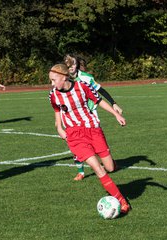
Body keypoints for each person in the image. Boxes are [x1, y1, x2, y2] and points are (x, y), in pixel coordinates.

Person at [48, 63, 130, 214]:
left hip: (93, 130)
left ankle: (111, 166)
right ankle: (121, 201)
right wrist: (59, 129)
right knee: (97, 168)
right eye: (51, 81)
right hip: (74, 136)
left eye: (54, 80)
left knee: (110, 167)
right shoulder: (53, 95)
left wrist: (116, 114)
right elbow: (57, 114)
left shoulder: (82, 86)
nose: (52, 84)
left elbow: (99, 101)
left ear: (64, 77)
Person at [64, 54, 123, 180]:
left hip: (90, 113)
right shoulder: (64, 80)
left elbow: (100, 91)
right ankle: (81, 172)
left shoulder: (86, 78)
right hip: (73, 116)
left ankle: (108, 162)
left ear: (77, 64)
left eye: (74, 64)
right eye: (69, 65)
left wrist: (113, 103)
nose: (71, 67)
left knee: (94, 143)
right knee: (75, 142)